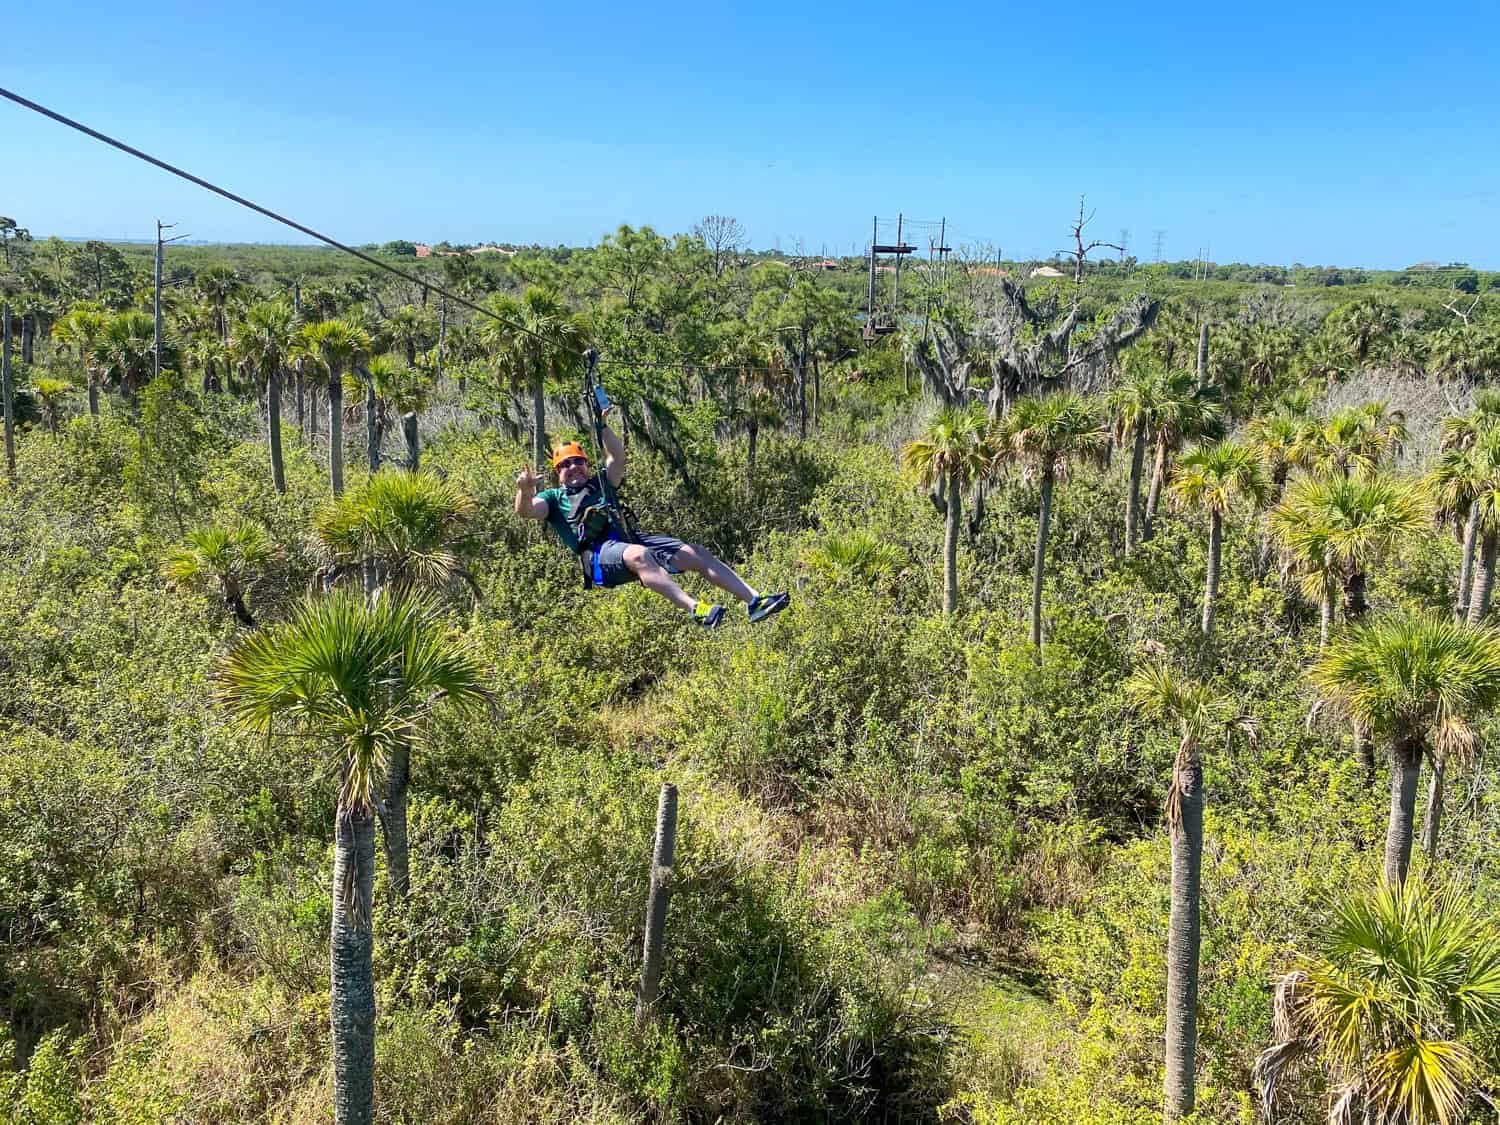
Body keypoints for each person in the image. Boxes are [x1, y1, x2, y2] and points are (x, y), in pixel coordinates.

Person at [514, 405, 790, 629]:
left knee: (695, 553)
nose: (573, 467)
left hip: (630, 540)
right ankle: (696, 609)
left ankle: (755, 600)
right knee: (638, 555)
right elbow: (525, 511)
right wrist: (525, 491)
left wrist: (601, 425)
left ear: (586, 464)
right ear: (557, 472)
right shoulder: (552, 498)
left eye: (578, 461)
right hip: (599, 556)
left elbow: (617, 456)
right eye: (565, 465)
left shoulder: (602, 481)